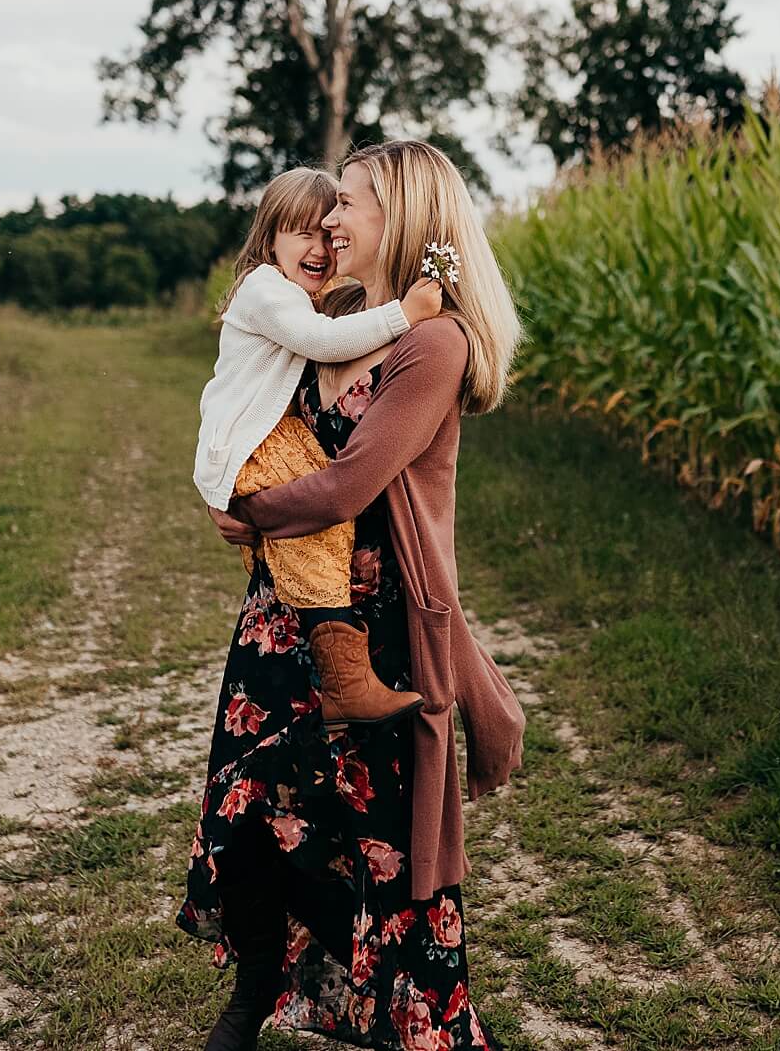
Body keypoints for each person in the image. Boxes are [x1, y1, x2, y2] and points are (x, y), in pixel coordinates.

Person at [181, 140, 525, 1051]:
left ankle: (411, 1025)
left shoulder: (433, 341)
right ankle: (256, 989)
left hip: (373, 633)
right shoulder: (330, 313)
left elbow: (348, 485)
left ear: (402, 215)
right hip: (283, 610)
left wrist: (247, 511)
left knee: (378, 844)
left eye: (352, 201)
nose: (332, 218)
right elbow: (250, 403)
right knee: (247, 813)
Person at [194, 166, 443, 725]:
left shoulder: (321, 297)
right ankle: (344, 679)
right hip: (258, 439)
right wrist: (406, 313)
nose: (320, 245)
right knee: (313, 534)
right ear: (268, 241)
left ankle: (339, 669)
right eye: (301, 233)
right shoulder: (266, 290)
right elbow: (321, 344)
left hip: (267, 437)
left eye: (327, 234)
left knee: (313, 537)